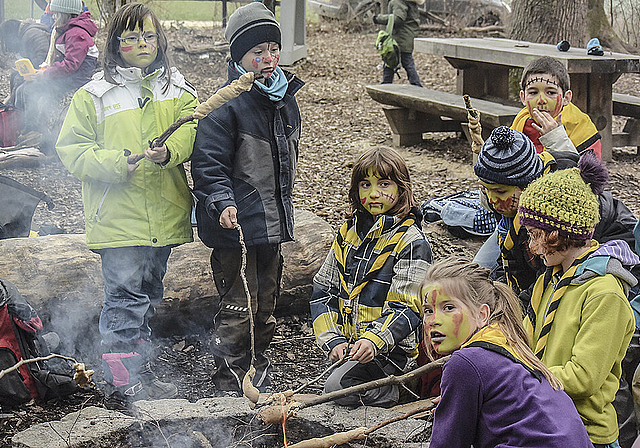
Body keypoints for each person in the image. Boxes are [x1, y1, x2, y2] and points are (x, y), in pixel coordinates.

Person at [55, 2, 198, 408]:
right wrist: (116, 163)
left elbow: (193, 129)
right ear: (116, 43)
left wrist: (170, 150)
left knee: (149, 297)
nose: (141, 43)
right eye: (131, 36)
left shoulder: (178, 90)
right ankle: (121, 382)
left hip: (164, 214)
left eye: (148, 36)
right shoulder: (95, 94)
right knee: (123, 301)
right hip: (117, 218)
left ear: (160, 40)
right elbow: (72, 150)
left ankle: (139, 370)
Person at [190, 2, 304, 397]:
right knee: (239, 310)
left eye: (273, 48)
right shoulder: (224, 106)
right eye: (258, 52)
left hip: (271, 225)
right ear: (239, 58)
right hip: (235, 227)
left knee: (266, 306)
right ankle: (228, 382)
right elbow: (207, 167)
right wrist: (222, 202)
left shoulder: (285, 97)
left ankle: (257, 371)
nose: (268, 58)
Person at [519, 152, 638, 447]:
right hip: (544, 417)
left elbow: (583, 377)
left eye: (536, 235)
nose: (532, 247)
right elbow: (525, 337)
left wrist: (517, 377)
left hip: (585, 433)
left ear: (561, 234)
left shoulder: (604, 293)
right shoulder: (551, 278)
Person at [422, 258, 592, 448]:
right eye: (427, 310)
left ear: (482, 315)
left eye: (448, 307)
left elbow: (447, 444)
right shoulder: (511, 346)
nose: (433, 320)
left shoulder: (465, 362)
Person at [309, 147, 432, 407]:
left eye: (384, 184)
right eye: (366, 185)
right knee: (334, 384)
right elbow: (323, 290)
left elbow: (408, 307)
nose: (374, 193)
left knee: (335, 389)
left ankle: (400, 389)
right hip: (353, 345)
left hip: (391, 350)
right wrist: (334, 340)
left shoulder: (411, 241)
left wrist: (373, 340)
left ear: (402, 189)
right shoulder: (348, 233)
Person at [473, 126, 636, 301]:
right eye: (484, 189)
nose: (491, 199)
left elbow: (546, 281)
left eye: (499, 191)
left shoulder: (559, 218)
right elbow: (514, 264)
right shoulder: (516, 208)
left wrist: (510, 311)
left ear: (527, 185)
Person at [14, 0, 98, 153]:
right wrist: (42, 70)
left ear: (66, 14)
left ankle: (34, 131)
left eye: (56, 14)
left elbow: (71, 65)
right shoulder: (68, 30)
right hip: (69, 74)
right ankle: (23, 127)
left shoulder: (77, 33)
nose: (52, 17)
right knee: (23, 88)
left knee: (30, 90)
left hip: (76, 78)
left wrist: (45, 74)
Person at [511, 56, 601, 161]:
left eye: (551, 92)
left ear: (566, 98)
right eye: (533, 93)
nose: (541, 100)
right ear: (523, 97)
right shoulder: (519, 124)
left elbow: (588, 174)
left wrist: (555, 138)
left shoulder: (581, 129)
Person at [0, 19, 51, 105]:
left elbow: (43, 56)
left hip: (44, 72)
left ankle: (19, 112)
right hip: (37, 70)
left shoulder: (32, 34)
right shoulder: (26, 33)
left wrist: (27, 68)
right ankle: (12, 109)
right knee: (14, 76)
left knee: (21, 87)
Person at [373, 0, 423, 87]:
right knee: (392, 61)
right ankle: (386, 84)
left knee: (399, 61)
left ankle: (417, 86)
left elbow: (398, 19)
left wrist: (379, 19)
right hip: (406, 37)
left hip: (400, 38)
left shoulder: (397, 1)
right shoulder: (408, 2)